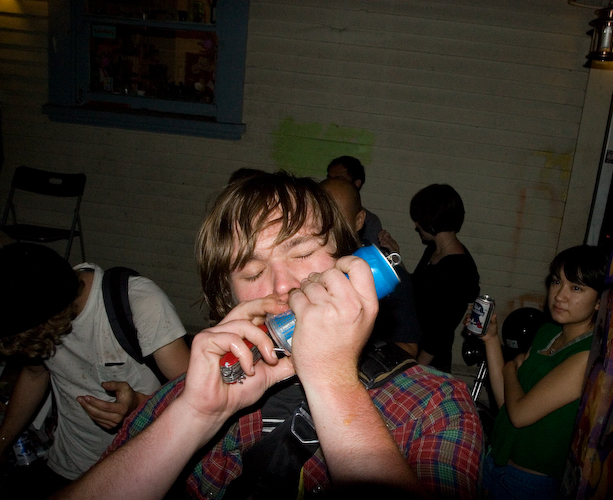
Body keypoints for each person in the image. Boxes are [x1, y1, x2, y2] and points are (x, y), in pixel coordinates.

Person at [56, 172, 482, 500]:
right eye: (252, 272)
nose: (282, 285)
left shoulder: (435, 404)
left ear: (348, 261)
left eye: (302, 252)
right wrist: (196, 416)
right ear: (229, 299)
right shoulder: (193, 395)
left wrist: (331, 380)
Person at [0, 243, 190, 494]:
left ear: (48, 320)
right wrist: (2, 441)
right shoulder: (35, 306)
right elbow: (35, 374)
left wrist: (137, 405)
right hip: (68, 465)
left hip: (138, 471)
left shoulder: (139, 303)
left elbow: (195, 397)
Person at [480, 245, 608, 500]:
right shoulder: (548, 332)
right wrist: (491, 339)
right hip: (494, 462)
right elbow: (507, 404)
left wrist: (509, 369)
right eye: (557, 281)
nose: (560, 296)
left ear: (599, 301)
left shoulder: (586, 355)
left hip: (528, 484)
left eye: (576, 288)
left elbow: (521, 415)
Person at [380, 184, 479, 373]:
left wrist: (415, 371)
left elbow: (440, 333)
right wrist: (395, 253)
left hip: (429, 363)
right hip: (412, 352)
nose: (416, 225)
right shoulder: (434, 250)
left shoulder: (458, 269)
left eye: (419, 219)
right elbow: (416, 289)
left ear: (432, 219)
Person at [320, 177, 421, 357]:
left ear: (359, 220)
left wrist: (352, 347)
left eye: (336, 219)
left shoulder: (382, 271)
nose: (325, 228)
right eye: (318, 217)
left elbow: (409, 349)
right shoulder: (301, 263)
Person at [326, 155, 383, 247]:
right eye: (329, 178)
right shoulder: (315, 212)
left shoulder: (370, 222)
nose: (332, 183)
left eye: (339, 179)